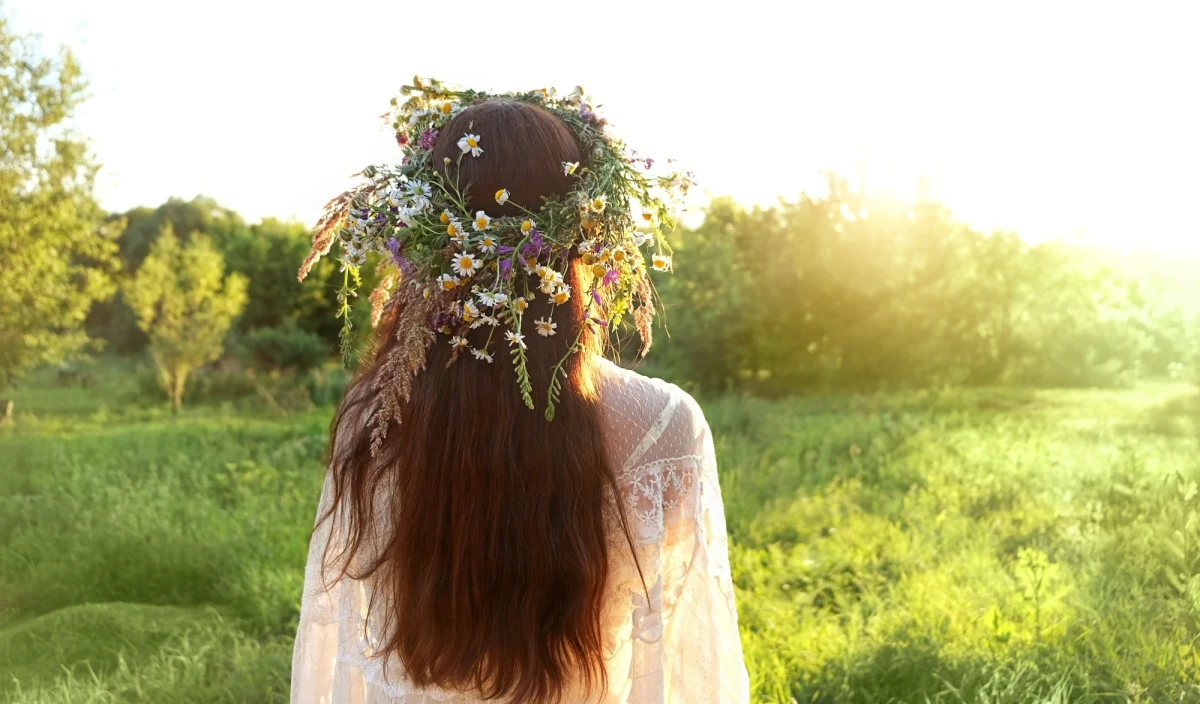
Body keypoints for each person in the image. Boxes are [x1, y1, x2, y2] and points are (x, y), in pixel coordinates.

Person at [291, 79, 749, 703]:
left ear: (425, 243)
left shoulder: (373, 422)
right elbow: (684, 664)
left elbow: (339, 658)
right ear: (588, 232)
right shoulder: (662, 426)